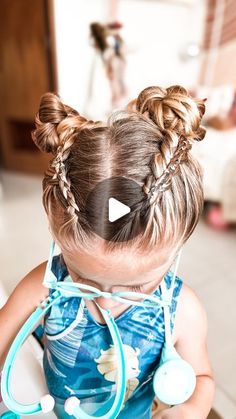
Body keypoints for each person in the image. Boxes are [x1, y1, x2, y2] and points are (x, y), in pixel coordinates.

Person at [0, 85, 215, 418]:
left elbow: (202, 378)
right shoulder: (44, 287)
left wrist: (188, 410)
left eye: (135, 287)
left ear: (177, 252)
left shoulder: (181, 311)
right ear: (58, 238)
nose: (105, 300)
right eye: (84, 278)